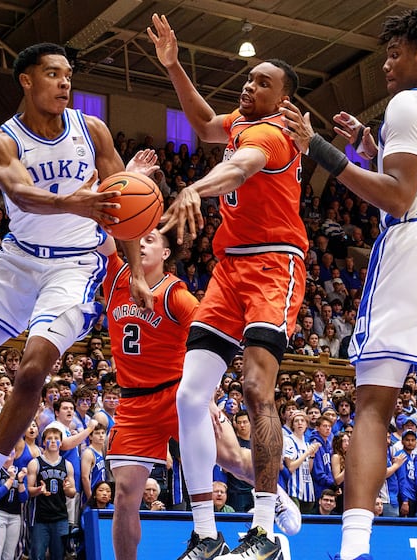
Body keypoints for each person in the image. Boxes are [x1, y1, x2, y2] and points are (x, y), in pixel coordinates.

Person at [280, 8, 417, 560]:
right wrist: (369, 150)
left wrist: (320, 150)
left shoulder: (409, 101)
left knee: (374, 402)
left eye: (395, 53)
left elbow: (400, 198)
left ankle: (353, 549)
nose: (386, 65)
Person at [0, 42, 154, 542]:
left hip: (74, 268)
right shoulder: (2, 142)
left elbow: (123, 208)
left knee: (31, 371)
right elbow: (23, 193)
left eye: (69, 74)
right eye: (53, 74)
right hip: (17, 260)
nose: (65, 83)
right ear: (26, 80)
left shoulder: (92, 131)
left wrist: (135, 269)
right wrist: (77, 200)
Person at [149, 14, 308, 559]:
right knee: (190, 396)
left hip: (273, 266)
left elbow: (238, 168)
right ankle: (205, 532)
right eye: (249, 78)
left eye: (264, 82)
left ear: (284, 101)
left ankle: (262, 529)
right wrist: (173, 66)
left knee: (258, 390)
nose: (249, 85)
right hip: (228, 271)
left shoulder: (273, 135)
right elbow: (202, 125)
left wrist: (195, 187)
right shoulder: (241, 122)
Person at [99, 226, 301, 560]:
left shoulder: (176, 294)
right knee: (124, 496)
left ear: (166, 254)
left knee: (234, 460)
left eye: (151, 240)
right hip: (134, 402)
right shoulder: (116, 275)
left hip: (179, 395)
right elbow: (103, 232)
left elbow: (212, 342)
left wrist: (206, 396)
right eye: (140, 239)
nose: (142, 244)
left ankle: (273, 493)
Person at [26, 426, 77, 560]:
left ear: (61, 443)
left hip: (60, 517)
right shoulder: (35, 463)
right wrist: (38, 490)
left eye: (56, 439)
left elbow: (73, 492)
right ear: (43, 442)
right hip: (39, 518)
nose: (53, 441)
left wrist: (67, 489)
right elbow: (29, 491)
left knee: (58, 555)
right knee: (37, 556)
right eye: (49, 439)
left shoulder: (67, 465)